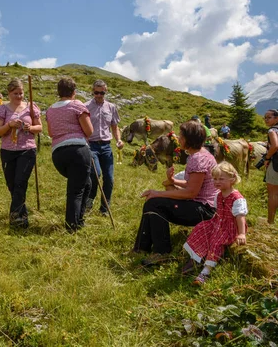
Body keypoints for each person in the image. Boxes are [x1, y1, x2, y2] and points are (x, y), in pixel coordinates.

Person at [133, 120, 217, 265]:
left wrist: (158, 193)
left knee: (154, 204)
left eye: (181, 136)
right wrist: (173, 181)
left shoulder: (198, 159)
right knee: (152, 203)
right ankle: (141, 248)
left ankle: (162, 252)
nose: (178, 138)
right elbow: (194, 184)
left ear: (187, 139)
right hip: (200, 204)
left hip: (204, 210)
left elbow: (191, 192)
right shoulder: (199, 155)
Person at [182, 162, 248, 285]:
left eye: (221, 179)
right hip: (218, 222)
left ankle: (205, 272)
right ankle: (196, 258)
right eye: (215, 179)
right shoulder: (218, 195)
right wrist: (213, 223)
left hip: (230, 226)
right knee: (201, 228)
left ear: (232, 179)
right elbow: (218, 212)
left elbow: (240, 217)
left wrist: (242, 234)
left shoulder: (237, 198)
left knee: (217, 241)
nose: (217, 181)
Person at [46, 77, 94, 232]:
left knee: (86, 184)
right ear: (74, 91)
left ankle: (79, 219)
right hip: (78, 150)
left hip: (58, 153)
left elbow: (51, 132)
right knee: (76, 190)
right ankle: (72, 226)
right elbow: (89, 130)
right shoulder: (77, 105)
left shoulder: (51, 110)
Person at [0, 80, 42, 229]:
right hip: (8, 150)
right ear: (9, 93)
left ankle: (15, 218)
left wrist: (30, 127)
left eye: (21, 93)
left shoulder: (31, 107)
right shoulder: (3, 109)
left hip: (27, 149)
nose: (19, 96)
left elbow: (39, 127)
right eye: (16, 93)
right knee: (12, 185)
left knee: (20, 182)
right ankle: (22, 214)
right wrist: (9, 125)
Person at [85, 79, 124, 215]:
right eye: (96, 92)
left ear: (105, 92)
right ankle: (89, 200)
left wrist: (118, 140)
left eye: (102, 92)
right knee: (96, 174)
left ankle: (104, 208)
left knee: (109, 178)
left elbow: (115, 126)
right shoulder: (86, 106)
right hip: (91, 145)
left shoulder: (111, 107)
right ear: (92, 91)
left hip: (106, 146)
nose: (99, 95)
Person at [263, 109, 278, 225]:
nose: (266, 120)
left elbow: (275, 146)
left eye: (269, 117)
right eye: (265, 117)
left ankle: (270, 221)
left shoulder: (272, 130)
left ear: (276, 118)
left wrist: (267, 157)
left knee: (273, 193)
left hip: (276, 164)